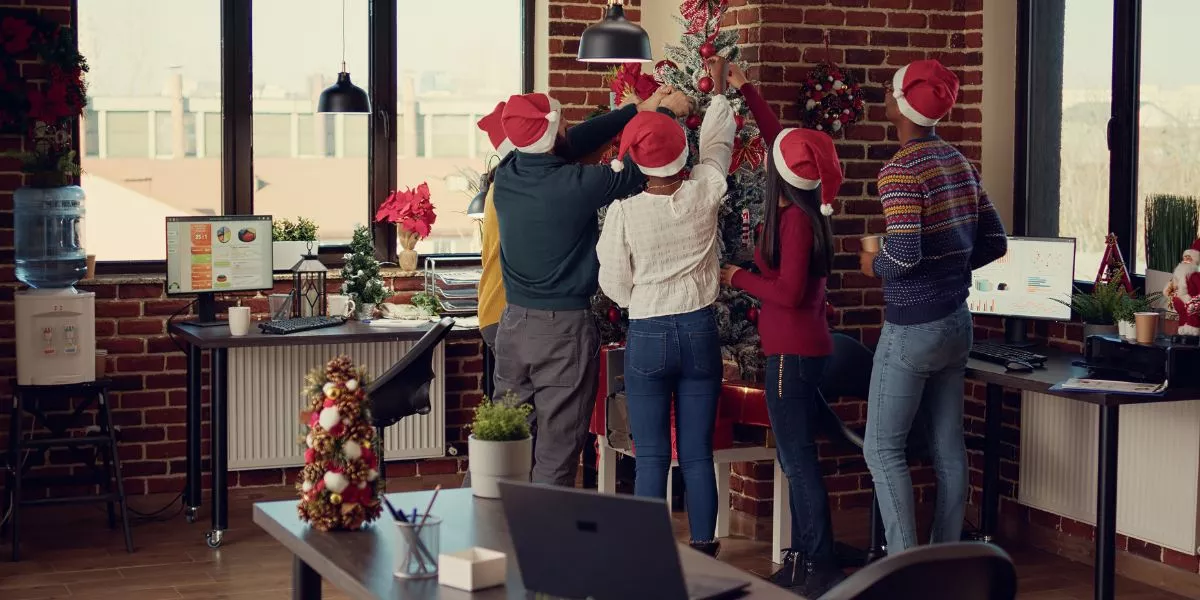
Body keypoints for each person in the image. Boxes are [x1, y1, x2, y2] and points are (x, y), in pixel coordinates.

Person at [493, 87, 692, 486]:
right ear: (551, 137)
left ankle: (493, 532)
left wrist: (636, 109)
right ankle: (546, 545)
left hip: (513, 326)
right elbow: (644, 169)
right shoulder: (575, 185)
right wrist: (667, 115)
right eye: (562, 121)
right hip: (562, 331)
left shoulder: (509, 172)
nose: (569, 126)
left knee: (504, 438)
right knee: (557, 448)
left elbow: (570, 142)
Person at [858, 59, 1008, 555]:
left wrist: (870, 262)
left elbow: (903, 253)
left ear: (900, 105)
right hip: (956, 324)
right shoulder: (959, 162)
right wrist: (955, 264)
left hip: (912, 329)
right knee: (948, 447)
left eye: (888, 88)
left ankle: (906, 567)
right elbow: (996, 242)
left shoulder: (899, 170)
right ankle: (947, 558)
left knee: (882, 449)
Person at [717, 60, 846, 595]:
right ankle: (804, 553)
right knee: (798, 460)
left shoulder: (794, 223)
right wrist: (745, 86)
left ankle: (817, 564)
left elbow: (789, 294)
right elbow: (783, 140)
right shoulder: (809, 202)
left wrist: (740, 276)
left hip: (789, 358)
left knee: (797, 463)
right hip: (806, 351)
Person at [596, 56, 734, 558]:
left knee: (651, 454)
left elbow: (612, 283)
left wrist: (642, 300)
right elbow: (719, 145)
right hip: (700, 331)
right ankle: (703, 551)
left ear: (637, 162)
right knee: (698, 453)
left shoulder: (624, 212)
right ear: (682, 154)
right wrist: (718, 94)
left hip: (650, 333)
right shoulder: (705, 189)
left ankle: (645, 553)